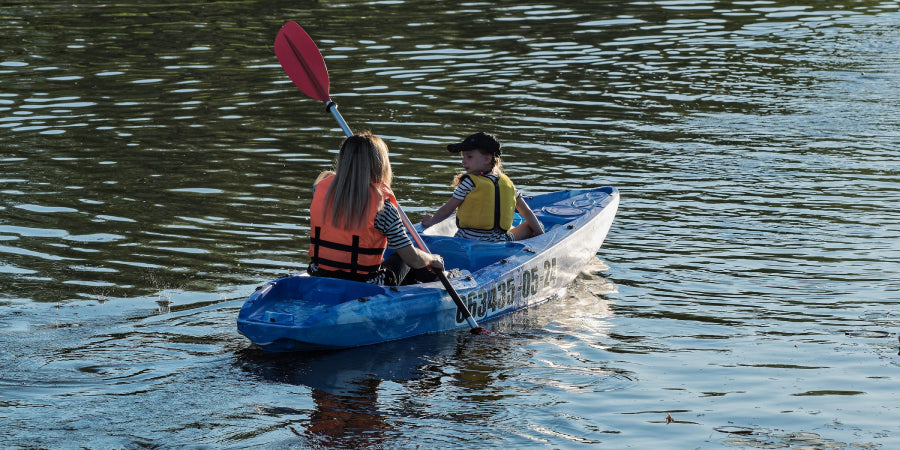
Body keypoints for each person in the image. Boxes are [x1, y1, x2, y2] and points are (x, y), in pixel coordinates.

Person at [307, 132, 443, 286]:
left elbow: (335, 185)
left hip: (319, 275)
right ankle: (438, 277)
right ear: (381, 164)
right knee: (403, 258)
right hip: (364, 285)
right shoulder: (383, 208)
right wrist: (432, 259)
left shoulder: (319, 191)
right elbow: (413, 259)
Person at [421, 132, 544, 242]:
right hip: (500, 242)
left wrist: (432, 222)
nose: (463, 161)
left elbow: (447, 209)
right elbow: (526, 212)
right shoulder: (508, 183)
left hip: (466, 241)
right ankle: (538, 235)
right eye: (463, 157)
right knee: (532, 225)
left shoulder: (469, 182)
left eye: (469, 157)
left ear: (487, 159)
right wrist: (542, 236)